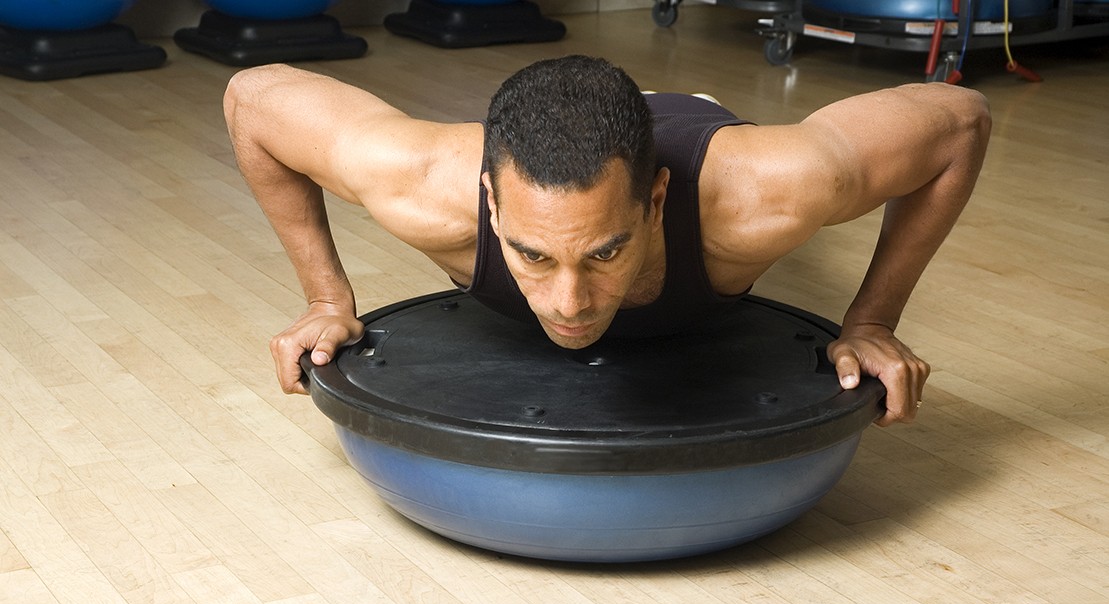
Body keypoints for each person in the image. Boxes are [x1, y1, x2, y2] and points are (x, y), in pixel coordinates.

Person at [224, 55, 990, 426]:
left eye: (604, 253)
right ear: (488, 202)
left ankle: (672, 106)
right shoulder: (421, 183)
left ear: (657, 201)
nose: (569, 304)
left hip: (694, 126)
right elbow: (252, 98)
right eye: (532, 254)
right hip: (540, 135)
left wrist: (872, 322)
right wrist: (325, 298)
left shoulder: (775, 187)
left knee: (764, 185)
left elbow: (957, 119)